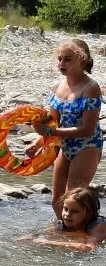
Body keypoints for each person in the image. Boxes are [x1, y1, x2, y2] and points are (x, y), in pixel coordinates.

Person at [28, 39, 102, 219]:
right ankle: (64, 236)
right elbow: (52, 125)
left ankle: (86, 234)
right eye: (59, 59)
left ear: (82, 61)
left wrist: (49, 132)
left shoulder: (90, 88)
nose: (61, 63)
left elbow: (87, 129)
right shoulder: (56, 87)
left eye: (67, 59)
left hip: (87, 146)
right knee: (57, 202)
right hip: (64, 145)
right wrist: (37, 144)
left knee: (73, 200)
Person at [21, 186, 106, 251]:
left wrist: (46, 242)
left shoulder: (98, 226)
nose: (67, 214)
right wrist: (31, 236)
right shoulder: (62, 225)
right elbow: (46, 233)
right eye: (65, 209)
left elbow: (89, 248)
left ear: (88, 213)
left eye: (75, 211)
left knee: (81, 239)